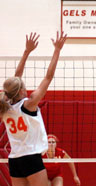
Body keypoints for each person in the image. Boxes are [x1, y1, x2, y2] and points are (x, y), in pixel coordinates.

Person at [0, 31, 67, 186]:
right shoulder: (28, 104)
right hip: (31, 158)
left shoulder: (5, 107)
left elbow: (16, 78)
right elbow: (48, 77)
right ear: (22, 91)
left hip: (15, 160)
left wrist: (26, 52)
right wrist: (57, 50)